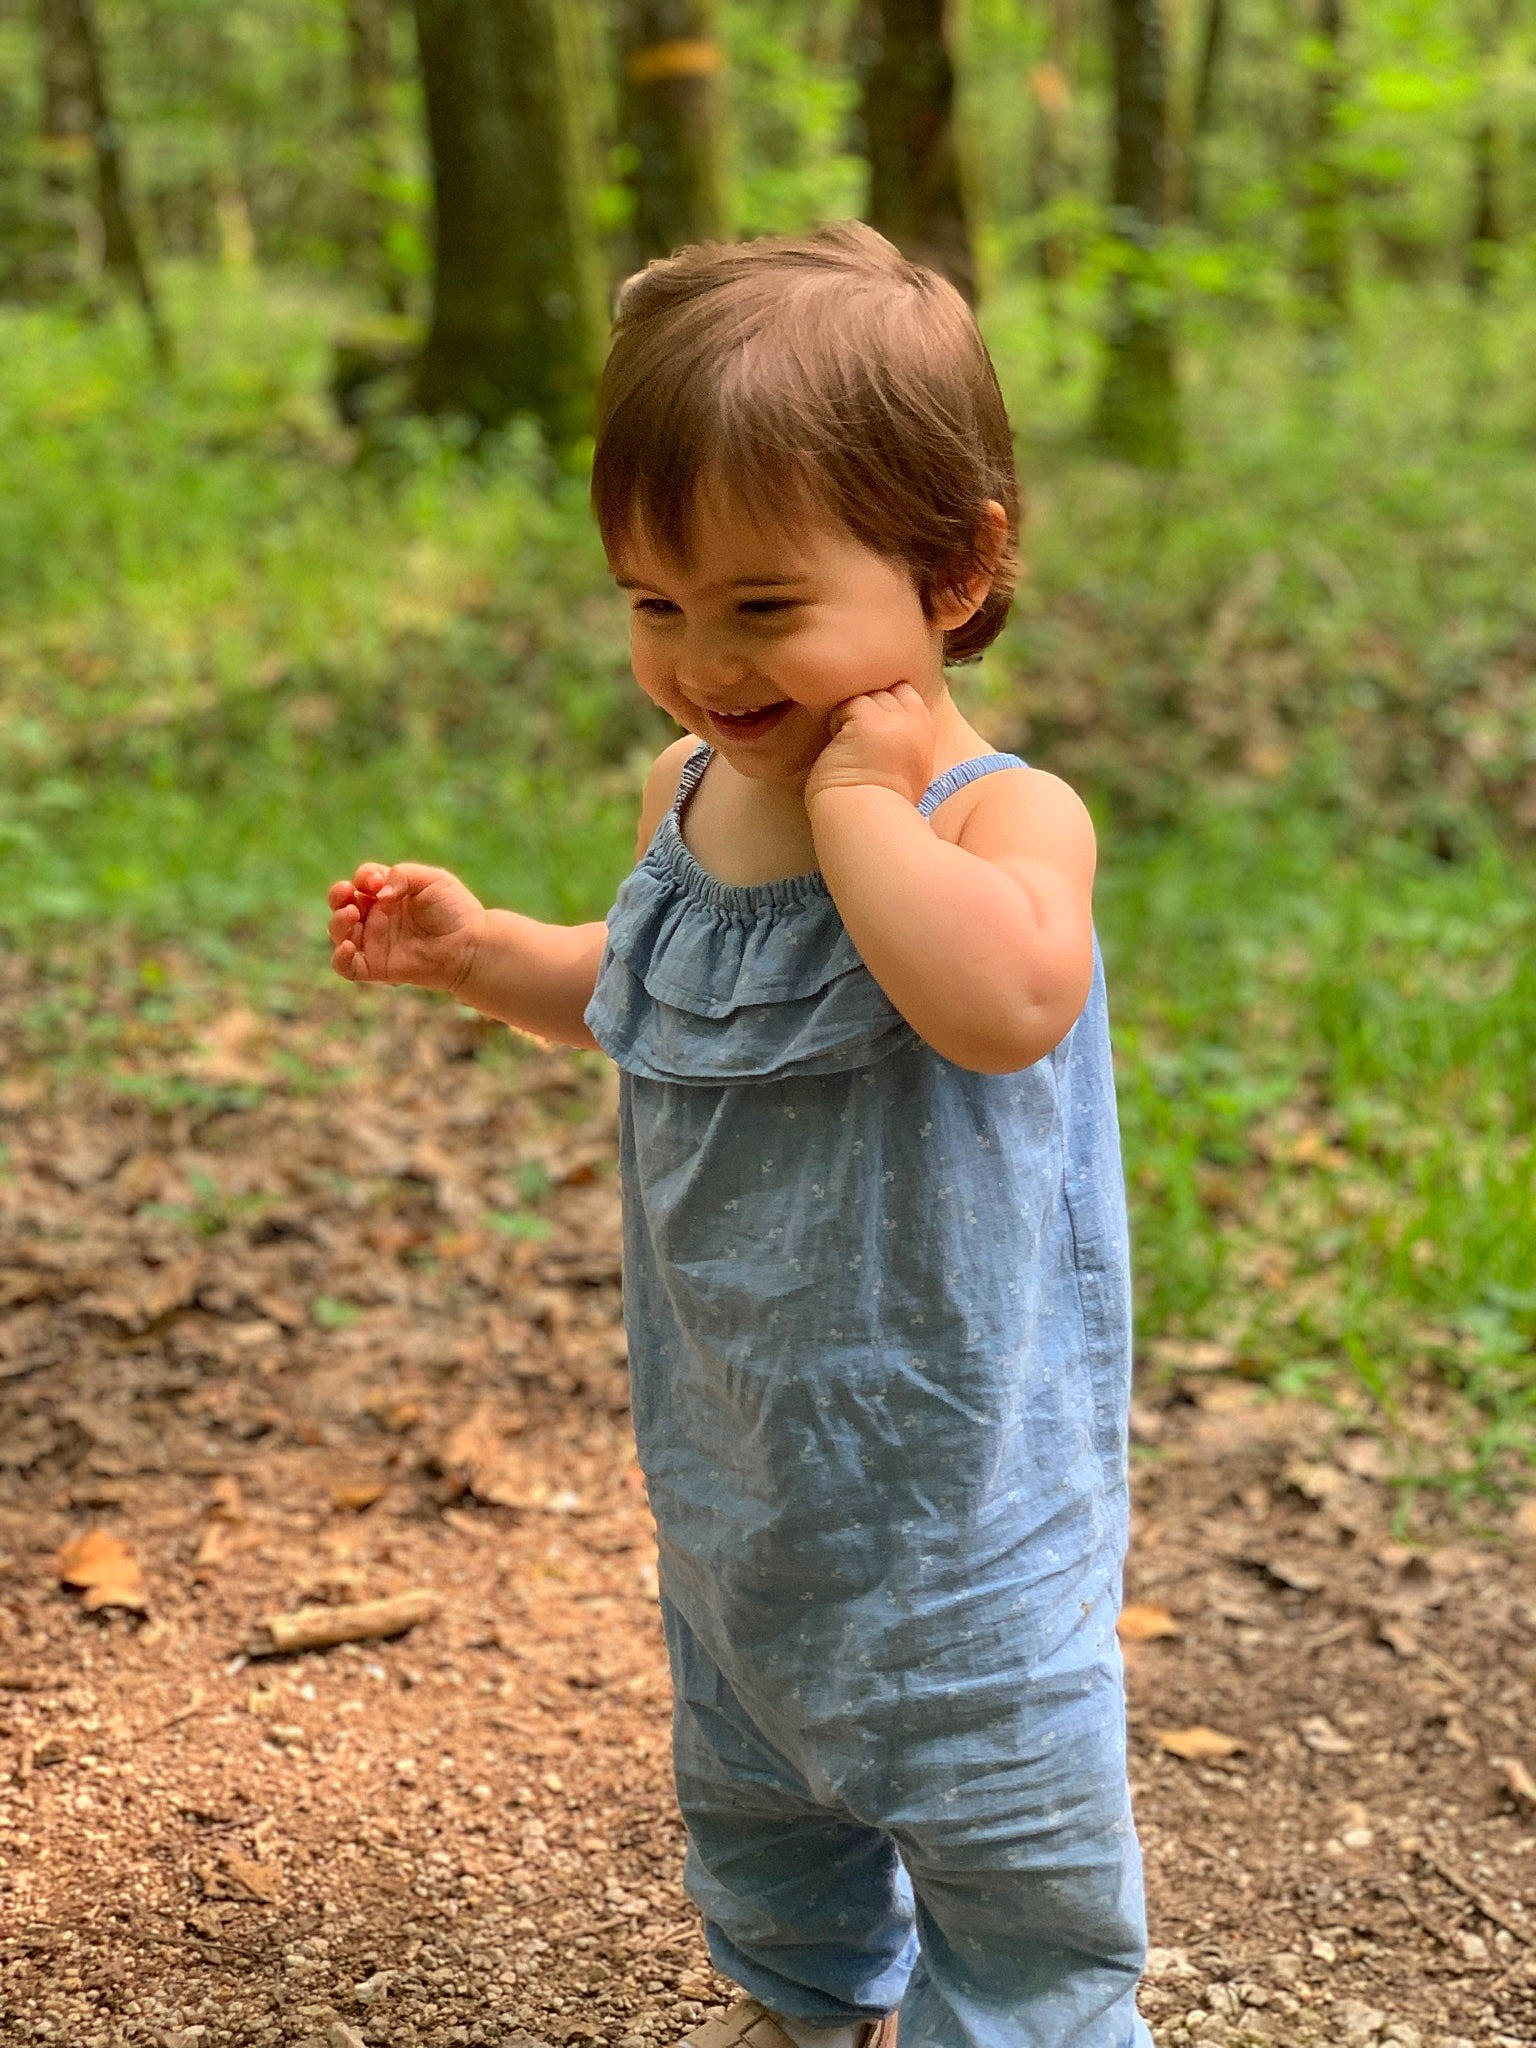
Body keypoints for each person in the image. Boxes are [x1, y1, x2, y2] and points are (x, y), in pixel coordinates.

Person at [327, 222, 1151, 2048]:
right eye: (652, 603)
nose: (701, 661)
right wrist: (485, 959)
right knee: (762, 1793)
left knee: (1005, 1836)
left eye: (762, 608)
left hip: (958, 1498)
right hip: (744, 1468)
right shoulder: (688, 790)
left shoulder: (1002, 819)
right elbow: (651, 993)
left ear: (956, 569)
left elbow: (1000, 1003)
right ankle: (800, 1997)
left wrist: (868, 804)